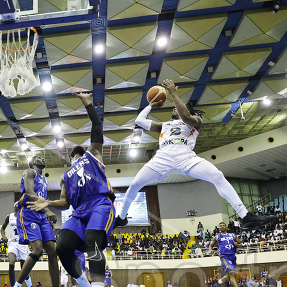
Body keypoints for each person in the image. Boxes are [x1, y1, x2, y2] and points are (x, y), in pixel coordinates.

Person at [114, 79, 276, 230]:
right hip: (161, 159)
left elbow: (185, 116)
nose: (174, 108)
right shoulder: (164, 125)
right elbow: (140, 121)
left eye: (177, 107)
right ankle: (122, 218)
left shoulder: (195, 121)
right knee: (135, 185)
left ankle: (245, 216)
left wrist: (174, 94)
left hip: (185, 158)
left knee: (217, 175)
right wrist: (150, 105)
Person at [27, 92, 115, 287]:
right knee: (62, 247)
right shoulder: (66, 176)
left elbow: (97, 125)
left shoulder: (93, 155)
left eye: (76, 154)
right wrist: (48, 203)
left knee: (92, 240)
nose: (74, 158)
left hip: (99, 203)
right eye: (74, 157)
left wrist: (87, 102)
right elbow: (65, 202)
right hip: (78, 212)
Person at [5, 155, 69, 287]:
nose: (41, 157)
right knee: (38, 250)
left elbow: (41, 198)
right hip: (28, 213)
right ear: (33, 162)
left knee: (53, 252)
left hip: (40, 216)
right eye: (37, 157)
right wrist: (47, 210)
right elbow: (29, 192)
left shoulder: (44, 180)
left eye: (42, 156)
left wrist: (46, 215)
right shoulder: (29, 172)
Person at [1, 203, 37, 287]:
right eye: (17, 207)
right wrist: (3, 236)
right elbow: (2, 228)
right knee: (11, 263)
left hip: (23, 245)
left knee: (24, 272)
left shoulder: (26, 217)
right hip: (12, 243)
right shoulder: (9, 216)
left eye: (20, 207)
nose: (18, 208)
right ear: (14, 208)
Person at [209, 222, 248, 287]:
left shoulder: (232, 235)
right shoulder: (217, 237)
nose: (222, 226)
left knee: (231, 276)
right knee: (232, 273)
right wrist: (211, 250)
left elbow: (240, 244)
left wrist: (237, 244)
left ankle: (220, 281)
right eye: (220, 226)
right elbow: (211, 245)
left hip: (233, 256)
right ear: (219, 228)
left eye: (224, 225)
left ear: (226, 227)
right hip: (224, 256)